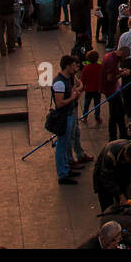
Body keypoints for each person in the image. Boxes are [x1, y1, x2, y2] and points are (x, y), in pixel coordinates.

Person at [52, 54, 83, 185]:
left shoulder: (67, 79)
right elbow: (59, 103)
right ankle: (62, 174)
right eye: (72, 66)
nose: (75, 68)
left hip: (68, 115)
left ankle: (66, 168)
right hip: (63, 116)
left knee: (64, 145)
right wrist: (72, 97)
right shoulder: (59, 82)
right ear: (67, 66)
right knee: (61, 145)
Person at [91, 139, 131, 210]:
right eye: (130, 160)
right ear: (125, 154)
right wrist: (120, 195)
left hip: (121, 171)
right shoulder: (110, 156)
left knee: (124, 200)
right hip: (103, 175)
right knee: (106, 200)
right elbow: (106, 178)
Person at [80, 49, 103, 125]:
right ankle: (97, 118)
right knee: (97, 104)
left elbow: (82, 80)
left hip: (89, 89)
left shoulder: (86, 68)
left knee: (86, 104)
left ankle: (85, 117)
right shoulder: (100, 66)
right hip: (97, 89)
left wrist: (82, 87)